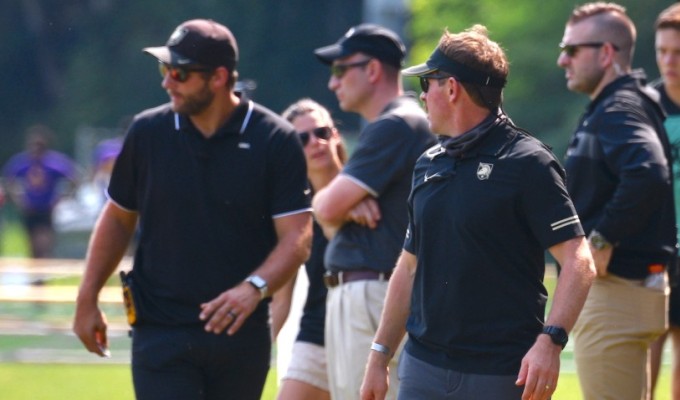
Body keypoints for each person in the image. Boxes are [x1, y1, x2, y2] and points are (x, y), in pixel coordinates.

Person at [72, 19, 312, 400]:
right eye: (165, 69)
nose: (167, 82)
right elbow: (117, 219)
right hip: (160, 330)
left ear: (218, 78)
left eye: (179, 72)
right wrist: (87, 298)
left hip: (240, 332)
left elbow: (298, 236)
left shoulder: (275, 139)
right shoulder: (146, 132)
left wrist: (254, 289)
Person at [360, 24, 596, 400]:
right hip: (422, 367)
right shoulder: (427, 164)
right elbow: (408, 265)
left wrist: (550, 342)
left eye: (427, 86)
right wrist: (379, 355)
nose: (421, 98)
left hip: (501, 373)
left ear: (451, 89)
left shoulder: (529, 163)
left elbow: (579, 260)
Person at [557, 3, 677, 399]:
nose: (563, 59)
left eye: (573, 50)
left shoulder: (619, 108)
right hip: (624, 293)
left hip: (615, 294)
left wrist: (602, 239)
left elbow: (648, 171)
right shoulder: (620, 104)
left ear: (606, 53)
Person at [312, 23, 436, 399]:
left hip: (373, 292)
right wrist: (343, 202)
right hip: (372, 290)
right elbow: (332, 207)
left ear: (372, 70)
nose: (333, 83)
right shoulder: (398, 122)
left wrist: (338, 202)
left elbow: (325, 205)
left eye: (340, 69)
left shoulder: (395, 123)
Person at [271, 98, 348, 400]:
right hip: (316, 330)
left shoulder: (368, 190)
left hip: (369, 330)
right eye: (301, 139)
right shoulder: (293, 212)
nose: (314, 143)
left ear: (336, 135)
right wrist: (249, 358)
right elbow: (281, 300)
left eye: (322, 133)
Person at [650, 4, 680, 399]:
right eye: (662, 52)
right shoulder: (644, 105)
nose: (669, 61)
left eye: (679, 52)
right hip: (653, 249)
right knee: (643, 359)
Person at [2, 124, 78, 258]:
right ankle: (37, 278)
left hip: (46, 209)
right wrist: (19, 199)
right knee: (32, 247)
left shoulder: (54, 163)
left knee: (44, 244)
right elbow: (9, 181)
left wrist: (61, 198)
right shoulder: (22, 162)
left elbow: (74, 178)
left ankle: (44, 273)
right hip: (30, 210)